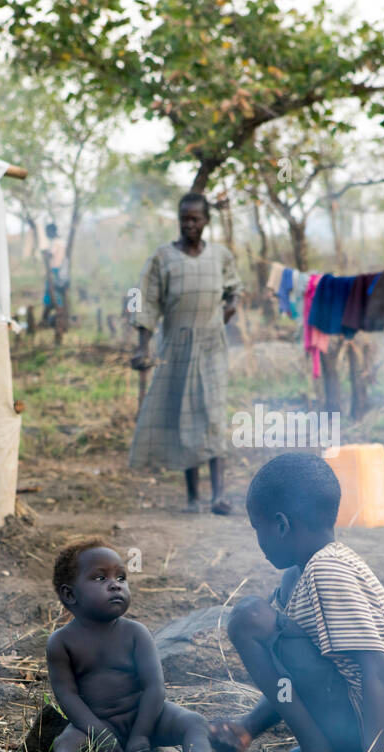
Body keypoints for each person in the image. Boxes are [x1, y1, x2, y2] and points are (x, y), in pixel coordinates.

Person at [211, 453, 384, 752]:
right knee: (260, 620)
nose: (258, 541)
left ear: (281, 525)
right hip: (358, 726)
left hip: (383, 738)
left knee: (249, 618)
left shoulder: (329, 570)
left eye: (258, 528)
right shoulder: (297, 578)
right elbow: (296, 670)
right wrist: (248, 727)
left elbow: (376, 670)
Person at [45, 537, 245, 752]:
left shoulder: (136, 633)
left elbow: (154, 687)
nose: (115, 586)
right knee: (66, 742)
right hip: (96, 723)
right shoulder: (61, 642)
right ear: (70, 594)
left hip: (146, 716)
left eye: (120, 578)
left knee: (193, 721)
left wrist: (141, 734)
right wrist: (98, 733)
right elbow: (67, 696)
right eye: (100, 578)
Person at [129, 192, 243, 514]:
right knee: (187, 417)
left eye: (195, 219)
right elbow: (144, 301)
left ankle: (218, 496)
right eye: (184, 218)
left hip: (212, 348)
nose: (189, 224)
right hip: (177, 351)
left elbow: (235, 289)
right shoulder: (163, 258)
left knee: (215, 418)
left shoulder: (220, 256)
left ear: (206, 221)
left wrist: (230, 308)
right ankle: (193, 497)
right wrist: (142, 346)